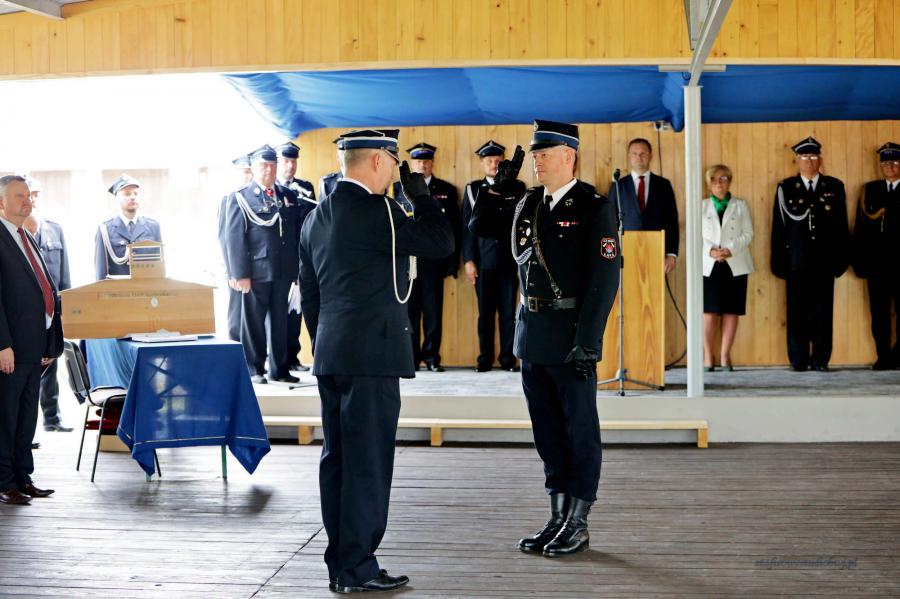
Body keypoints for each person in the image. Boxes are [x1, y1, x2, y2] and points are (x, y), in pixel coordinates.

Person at [299, 129, 453, 593]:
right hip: (372, 356)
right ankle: (358, 567)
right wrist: (421, 194)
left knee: (338, 460)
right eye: (394, 160)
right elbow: (441, 241)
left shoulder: (315, 217)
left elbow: (310, 294)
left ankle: (341, 563)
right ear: (378, 162)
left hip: (332, 353)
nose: (395, 169)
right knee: (367, 463)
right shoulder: (381, 212)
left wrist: (327, 340)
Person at [469, 120, 620, 557]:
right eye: (535, 154)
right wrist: (498, 188)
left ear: (569, 156)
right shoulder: (528, 201)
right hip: (532, 335)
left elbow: (604, 280)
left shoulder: (593, 206)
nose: (536, 160)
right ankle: (557, 516)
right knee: (548, 431)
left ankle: (578, 521)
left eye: (545, 153)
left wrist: (589, 341)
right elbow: (480, 226)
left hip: (571, 338)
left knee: (579, 431)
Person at [0, 175, 64, 505]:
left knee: (27, 418)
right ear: (1, 202)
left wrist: (49, 343)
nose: (27, 201)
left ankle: (23, 477)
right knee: (6, 418)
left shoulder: (25, 234)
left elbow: (45, 290)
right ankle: (4, 481)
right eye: (18, 196)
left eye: (28, 195)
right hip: (10, 348)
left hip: (35, 346)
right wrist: (2, 344)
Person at [223, 145, 301, 384]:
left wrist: (296, 270)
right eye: (263, 165)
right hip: (255, 271)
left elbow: (294, 235)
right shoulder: (240, 197)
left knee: (280, 322)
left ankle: (280, 369)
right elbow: (233, 238)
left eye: (272, 165)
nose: (268, 169)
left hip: (282, 269)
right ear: (254, 168)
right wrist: (239, 274)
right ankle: (254, 368)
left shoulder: (287, 195)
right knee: (253, 323)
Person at [771, 137, 850, 372]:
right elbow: (779, 228)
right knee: (796, 313)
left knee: (823, 312)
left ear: (820, 160)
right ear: (796, 160)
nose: (809, 161)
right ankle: (798, 359)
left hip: (825, 261)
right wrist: (779, 261)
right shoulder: (785, 188)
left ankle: (820, 359)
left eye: (813, 156)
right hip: (796, 261)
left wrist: (841, 260)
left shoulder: (834, 187)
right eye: (804, 157)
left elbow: (842, 225)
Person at [392, 142, 461, 372]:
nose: (422, 165)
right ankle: (411, 358)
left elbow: (453, 228)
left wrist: (452, 263)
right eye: (418, 161)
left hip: (433, 263)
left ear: (432, 163)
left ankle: (432, 357)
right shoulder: (396, 189)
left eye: (426, 161)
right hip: (408, 263)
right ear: (412, 164)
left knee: (433, 312)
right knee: (409, 313)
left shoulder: (446, 190)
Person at [461, 140, 525, 372]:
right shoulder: (472, 190)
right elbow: (466, 228)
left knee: (508, 313)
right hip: (483, 261)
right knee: (485, 314)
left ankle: (508, 359)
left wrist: (521, 262)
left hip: (509, 260)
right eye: (489, 161)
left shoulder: (517, 187)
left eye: (498, 161)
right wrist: (469, 260)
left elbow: (520, 225)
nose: (493, 164)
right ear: (482, 163)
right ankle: (485, 359)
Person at [22, 177, 73, 432]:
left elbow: (64, 274)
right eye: (27, 194)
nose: (32, 199)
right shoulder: (14, 231)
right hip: (25, 313)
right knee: (28, 369)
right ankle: (27, 426)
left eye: (36, 194)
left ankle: (52, 418)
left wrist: (66, 310)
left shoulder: (54, 229)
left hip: (52, 311)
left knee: (51, 362)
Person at [701, 165, 754, 372]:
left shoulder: (740, 205)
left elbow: (748, 233)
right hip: (709, 265)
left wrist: (729, 250)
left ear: (729, 181)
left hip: (735, 263)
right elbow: (695, 235)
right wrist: (711, 251)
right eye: (714, 179)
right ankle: (708, 356)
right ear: (708, 183)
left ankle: (725, 356)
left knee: (732, 312)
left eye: (723, 179)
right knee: (709, 312)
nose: (718, 183)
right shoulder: (702, 206)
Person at [851, 142, 900, 370]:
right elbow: (861, 228)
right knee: (879, 313)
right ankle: (884, 356)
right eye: (885, 163)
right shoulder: (870, 190)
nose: (889, 167)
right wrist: (859, 261)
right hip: (877, 264)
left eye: (894, 162)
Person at [607, 138, 680, 273]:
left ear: (650, 156)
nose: (638, 157)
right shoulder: (618, 185)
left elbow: (672, 221)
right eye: (634, 154)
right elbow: (609, 221)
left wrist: (671, 253)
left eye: (643, 153)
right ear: (629, 156)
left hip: (657, 250)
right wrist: (610, 253)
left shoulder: (663, 185)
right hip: (626, 252)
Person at [277, 141, 317, 374]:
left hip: (302, 258)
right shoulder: (274, 190)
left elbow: (312, 221)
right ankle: (278, 359)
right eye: (286, 161)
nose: (290, 166)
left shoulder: (305, 188)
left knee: (296, 310)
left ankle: (293, 356)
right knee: (278, 312)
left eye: (293, 161)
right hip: (279, 260)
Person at [94, 174, 162, 280]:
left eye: (136, 193)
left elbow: (159, 270)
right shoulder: (105, 230)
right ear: (117, 198)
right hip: (118, 290)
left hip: (146, 289)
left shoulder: (153, 227)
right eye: (127, 194)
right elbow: (101, 274)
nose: (133, 197)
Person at [218, 155, 253, 342]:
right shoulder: (230, 198)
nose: (249, 176)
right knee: (237, 317)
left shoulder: (255, 198)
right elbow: (224, 237)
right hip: (236, 269)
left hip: (256, 269)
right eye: (245, 172)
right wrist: (231, 272)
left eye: (251, 172)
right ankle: (236, 351)